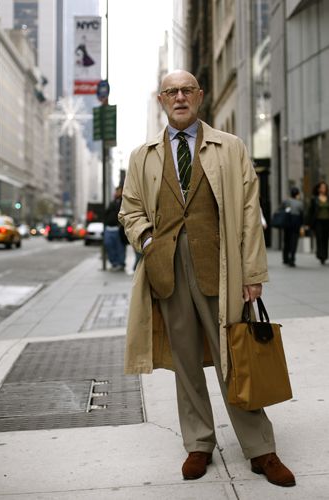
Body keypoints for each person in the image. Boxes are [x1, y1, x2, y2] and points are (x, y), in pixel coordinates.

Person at [119, 70, 295, 487]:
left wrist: (253, 272)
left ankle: (260, 449)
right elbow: (130, 210)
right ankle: (198, 444)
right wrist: (148, 244)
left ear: (199, 96)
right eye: (171, 92)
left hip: (222, 268)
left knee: (234, 358)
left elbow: (251, 213)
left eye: (187, 90)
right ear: (161, 99)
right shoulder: (143, 155)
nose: (179, 97)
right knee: (184, 362)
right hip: (168, 272)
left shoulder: (229, 146)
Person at [104, 186, 126, 271]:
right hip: (109, 228)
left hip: (118, 229)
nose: (117, 193)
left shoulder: (123, 202)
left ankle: (121, 264)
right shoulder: (112, 202)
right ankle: (114, 263)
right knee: (109, 244)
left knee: (120, 247)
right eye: (116, 191)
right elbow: (106, 213)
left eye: (119, 191)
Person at [308, 181, 329, 265]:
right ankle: (320, 255)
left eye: (325, 187)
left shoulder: (328, 198)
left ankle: (325, 255)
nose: (323, 189)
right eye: (322, 187)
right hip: (318, 221)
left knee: (325, 238)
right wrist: (308, 223)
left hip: (327, 221)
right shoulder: (314, 199)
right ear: (319, 189)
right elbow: (310, 211)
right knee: (319, 237)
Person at [282, 187, 303, 267]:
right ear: (297, 194)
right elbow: (302, 214)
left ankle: (285, 258)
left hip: (287, 222)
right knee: (294, 241)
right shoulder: (299, 203)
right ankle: (292, 258)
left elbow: (281, 209)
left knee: (286, 240)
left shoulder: (286, 201)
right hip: (296, 223)